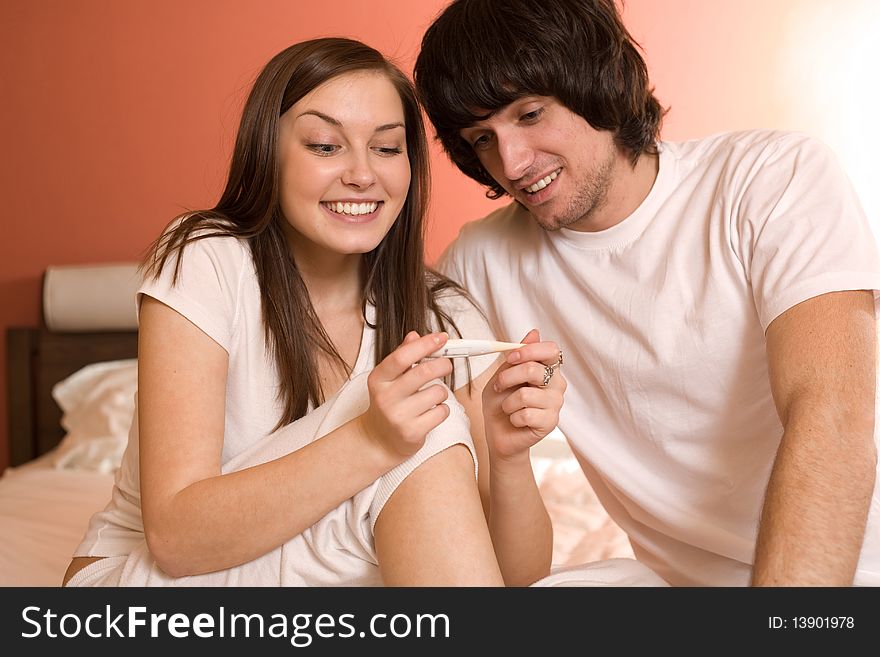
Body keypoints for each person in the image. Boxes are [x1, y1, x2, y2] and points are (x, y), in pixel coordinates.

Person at [61, 37, 565, 587]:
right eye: (325, 146)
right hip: (141, 588)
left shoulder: (443, 314)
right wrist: (375, 440)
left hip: (310, 577)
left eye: (387, 148)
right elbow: (177, 543)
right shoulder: (207, 260)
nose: (362, 174)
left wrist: (509, 459)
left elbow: (517, 580)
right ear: (267, 154)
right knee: (426, 420)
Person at [414, 0, 880, 587]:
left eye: (529, 114)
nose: (511, 162)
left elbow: (831, 414)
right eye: (482, 138)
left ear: (596, 81)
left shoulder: (771, 178)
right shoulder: (481, 262)